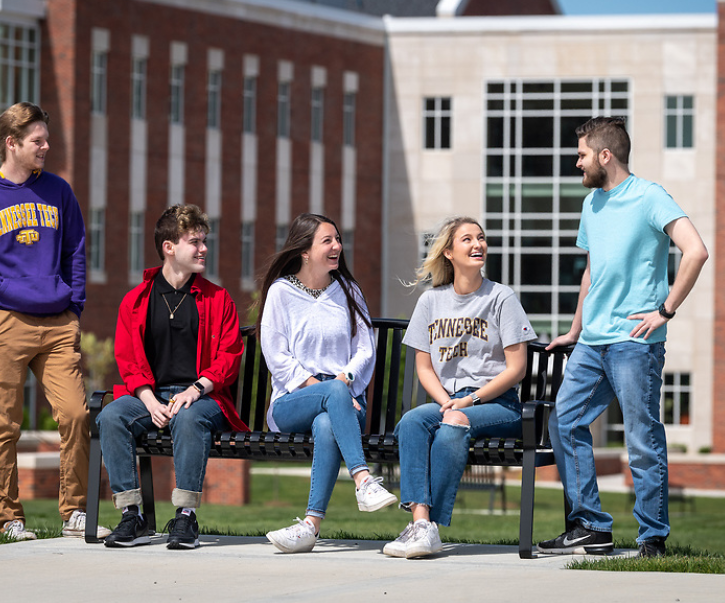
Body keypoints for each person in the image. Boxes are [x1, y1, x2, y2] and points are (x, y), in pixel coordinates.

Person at [538, 117, 708, 559]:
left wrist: (665, 310)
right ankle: (591, 526)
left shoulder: (649, 196)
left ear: (605, 155)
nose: (577, 163)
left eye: (581, 155)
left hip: (636, 342)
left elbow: (696, 250)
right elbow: (592, 273)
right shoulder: (592, 204)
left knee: (641, 437)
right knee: (565, 420)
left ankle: (652, 537)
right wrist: (575, 331)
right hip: (593, 342)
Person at [0, 101, 108, 540]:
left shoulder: (58, 191)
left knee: (76, 414)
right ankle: (9, 516)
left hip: (57, 322)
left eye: (46, 138)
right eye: (37, 140)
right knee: (6, 424)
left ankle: (74, 511)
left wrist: (74, 308)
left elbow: (75, 249)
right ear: (11, 143)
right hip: (6, 323)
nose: (46, 146)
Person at [383, 217, 536, 559]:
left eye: (481, 238)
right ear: (449, 252)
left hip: (497, 403)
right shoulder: (431, 302)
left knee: (452, 425)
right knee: (411, 422)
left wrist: (468, 400)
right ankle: (420, 524)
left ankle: (431, 528)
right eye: (467, 239)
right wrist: (447, 401)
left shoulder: (501, 298)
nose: (478, 244)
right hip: (449, 401)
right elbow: (423, 367)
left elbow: (517, 369)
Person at [97, 204, 248, 549]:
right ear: (169, 247)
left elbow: (230, 356)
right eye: (194, 241)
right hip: (150, 396)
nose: (203, 248)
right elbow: (128, 361)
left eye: (204, 241)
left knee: (189, 417)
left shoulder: (217, 298)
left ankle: (185, 517)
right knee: (110, 416)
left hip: (204, 399)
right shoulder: (136, 301)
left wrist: (194, 390)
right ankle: (131, 516)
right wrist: (149, 400)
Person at [257, 213, 397, 553]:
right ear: (304, 250)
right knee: (331, 396)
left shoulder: (348, 291)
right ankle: (363, 480)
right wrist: (324, 388)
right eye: (328, 241)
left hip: (344, 402)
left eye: (338, 239)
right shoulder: (281, 293)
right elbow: (275, 354)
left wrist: (344, 381)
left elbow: (365, 349)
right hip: (292, 401)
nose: (337, 246)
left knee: (326, 423)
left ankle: (310, 526)